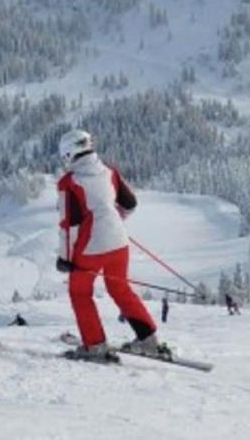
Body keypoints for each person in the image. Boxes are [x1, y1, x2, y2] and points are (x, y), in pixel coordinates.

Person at [55, 129, 169, 361]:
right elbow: (130, 204)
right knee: (120, 288)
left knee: (79, 292)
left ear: (68, 154)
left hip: (91, 248)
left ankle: (95, 345)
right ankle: (148, 339)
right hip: (119, 243)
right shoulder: (109, 172)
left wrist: (64, 259)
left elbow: (69, 226)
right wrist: (111, 219)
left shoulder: (69, 183)